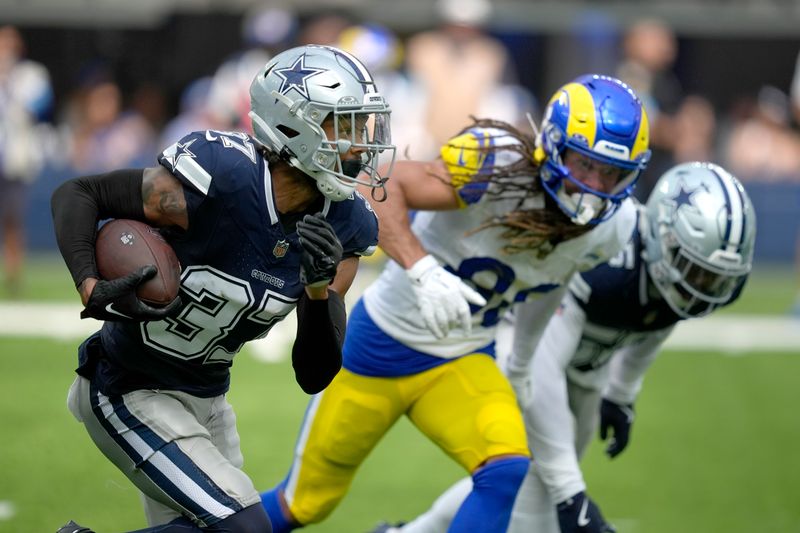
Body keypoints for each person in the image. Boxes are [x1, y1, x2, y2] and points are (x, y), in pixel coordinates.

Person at [259, 73, 652, 533]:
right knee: (303, 505)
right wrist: (421, 268)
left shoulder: (613, 226)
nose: (594, 185)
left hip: (464, 355)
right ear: (554, 144)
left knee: (505, 469)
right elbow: (377, 188)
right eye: (585, 164)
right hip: (380, 346)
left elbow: (553, 279)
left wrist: (521, 364)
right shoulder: (496, 162)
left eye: (612, 173)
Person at [50, 44, 395, 533]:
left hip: (209, 401)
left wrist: (319, 291)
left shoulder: (345, 226)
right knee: (248, 529)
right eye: (345, 126)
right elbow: (80, 194)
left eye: (363, 126)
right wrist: (89, 283)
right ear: (295, 125)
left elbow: (314, 374)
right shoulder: (223, 177)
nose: (362, 145)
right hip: (128, 387)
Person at [384, 161, 756, 533]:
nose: (703, 288)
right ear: (663, 240)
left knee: (540, 487)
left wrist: (622, 393)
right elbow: (541, 371)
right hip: (524, 352)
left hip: (584, 369)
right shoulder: (611, 264)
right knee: (540, 500)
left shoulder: (670, 286)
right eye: (696, 272)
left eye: (715, 279)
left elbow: (659, 321)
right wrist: (571, 494)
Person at [0, 25, 53, 297]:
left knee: (13, 220)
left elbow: (38, 109)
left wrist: (8, 82)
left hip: (15, 160)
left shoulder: (31, 75)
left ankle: (13, 274)